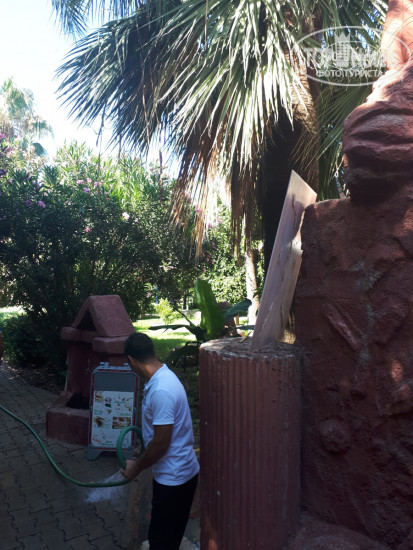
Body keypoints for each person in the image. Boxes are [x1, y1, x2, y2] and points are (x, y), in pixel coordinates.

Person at [122, 331, 199, 550]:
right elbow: (160, 434)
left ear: (131, 360)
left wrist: (136, 467)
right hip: (180, 474)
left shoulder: (161, 390)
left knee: (161, 542)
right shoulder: (162, 377)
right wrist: (143, 447)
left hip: (173, 479)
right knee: (169, 539)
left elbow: (161, 444)